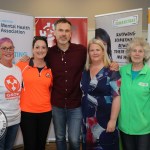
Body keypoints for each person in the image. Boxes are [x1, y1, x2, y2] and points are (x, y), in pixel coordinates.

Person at [46, 18, 87, 150]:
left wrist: (112, 65)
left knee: (75, 140)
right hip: (57, 104)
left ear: (71, 34)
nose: (63, 34)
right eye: (60, 30)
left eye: (66, 31)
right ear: (55, 33)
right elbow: (36, 63)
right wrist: (26, 60)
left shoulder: (81, 51)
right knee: (60, 137)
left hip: (76, 104)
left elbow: (96, 62)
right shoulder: (49, 53)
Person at [80, 38, 121, 150]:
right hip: (87, 121)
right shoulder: (85, 70)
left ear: (103, 51)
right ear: (88, 53)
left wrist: (113, 120)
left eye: (98, 49)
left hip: (105, 120)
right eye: (92, 50)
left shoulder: (112, 71)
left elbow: (117, 97)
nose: (95, 52)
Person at [16, 36, 53, 150]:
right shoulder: (22, 65)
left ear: (47, 50)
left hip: (45, 113)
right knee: (30, 146)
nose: (40, 50)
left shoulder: (51, 69)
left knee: (41, 145)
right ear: (32, 49)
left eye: (43, 47)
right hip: (27, 113)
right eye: (37, 47)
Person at [118, 37, 150, 150]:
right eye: (134, 50)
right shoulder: (122, 71)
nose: (137, 54)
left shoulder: (149, 74)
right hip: (125, 126)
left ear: (145, 54)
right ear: (129, 53)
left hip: (144, 128)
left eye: (140, 51)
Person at [0, 37, 22, 150]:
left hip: (15, 118)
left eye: (10, 48)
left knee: (9, 148)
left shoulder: (18, 70)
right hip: (1, 120)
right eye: (4, 48)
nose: (8, 51)